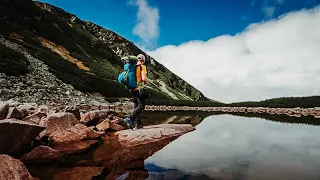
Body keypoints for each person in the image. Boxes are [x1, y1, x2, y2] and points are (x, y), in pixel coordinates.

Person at [123, 54, 148, 130]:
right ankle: (130, 118)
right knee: (141, 106)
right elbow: (143, 78)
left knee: (136, 106)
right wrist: (147, 81)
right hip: (139, 88)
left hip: (132, 89)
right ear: (143, 60)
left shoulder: (132, 67)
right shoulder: (142, 67)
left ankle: (138, 124)